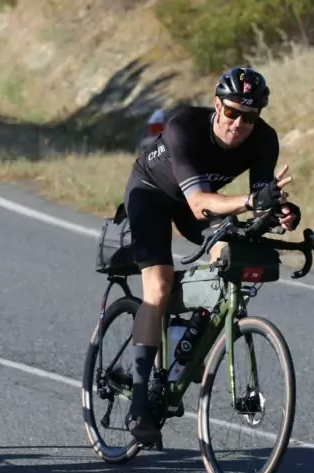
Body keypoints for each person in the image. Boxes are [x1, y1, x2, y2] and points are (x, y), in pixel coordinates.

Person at [122, 66, 301, 445]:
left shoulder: (263, 139)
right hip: (152, 195)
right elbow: (201, 204)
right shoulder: (185, 127)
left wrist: (281, 212)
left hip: (202, 202)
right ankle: (139, 397)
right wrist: (250, 201)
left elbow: (261, 200)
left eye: (249, 117)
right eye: (232, 112)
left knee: (232, 254)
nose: (238, 123)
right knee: (158, 285)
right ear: (217, 105)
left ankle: (188, 338)